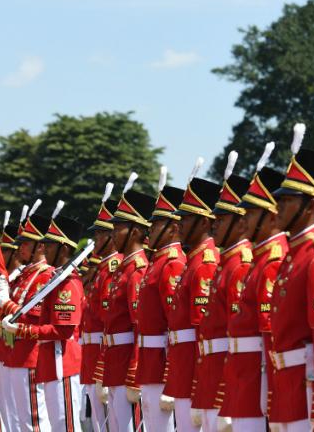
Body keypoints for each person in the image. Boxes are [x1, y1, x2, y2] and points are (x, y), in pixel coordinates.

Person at [268, 125, 314, 432]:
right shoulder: (293, 254)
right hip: (288, 385)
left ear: (310, 205)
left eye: (288, 200)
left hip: (308, 387)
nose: (278, 206)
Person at [219, 144, 287, 430]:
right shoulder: (260, 260)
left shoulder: (271, 261)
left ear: (271, 216)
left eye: (251, 212)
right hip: (245, 376)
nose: (243, 219)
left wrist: (271, 396)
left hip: (260, 381)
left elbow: (271, 339)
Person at [2, 212, 86, 431]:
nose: (44, 248)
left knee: (64, 425)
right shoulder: (56, 279)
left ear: (64, 248)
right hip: (50, 361)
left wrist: (21, 328)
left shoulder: (66, 282)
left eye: (49, 244)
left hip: (62, 361)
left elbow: (62, 330)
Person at [193, 151, 253, 432]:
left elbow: (237, 337)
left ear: (241, 222)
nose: (214, 223)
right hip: (210, 372)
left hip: (225, 376)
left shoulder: (240, 266)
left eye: (222, 217)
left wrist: (226, 392)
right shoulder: (226, 264)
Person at [97, 173, 154, 431]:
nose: (112, 232)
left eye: (118, 226)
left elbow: (140, 326)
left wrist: (134, 370)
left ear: (136, 231)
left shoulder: (137, 270)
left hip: (126, 363)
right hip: (114, 360)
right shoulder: (123, 268)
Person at [169, 173, 222, 432]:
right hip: (183, 366)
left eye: (186, 218)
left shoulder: (205, 264)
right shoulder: (195, 261)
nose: (179, 224)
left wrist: (198, 380)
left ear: (203, 222)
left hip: (195, 369)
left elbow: (203, 330)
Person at [0, 206, 54, 432]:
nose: (20, 248)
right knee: (15, 419)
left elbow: (33, 317)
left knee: (33, 421)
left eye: (26, 243)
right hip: (14, 353)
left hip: (31, 355)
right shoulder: (26, 274)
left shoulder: (46, 276)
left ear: (40, 246)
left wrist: (5, 302)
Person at [136, 169, 186, 432]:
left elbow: (175, 323)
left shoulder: (172, 264)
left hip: (162, 360)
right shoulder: (158, 262)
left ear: (173, 229)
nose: (149, 231)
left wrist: (170, 374)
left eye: (155, 226)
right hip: (149, 358)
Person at [83, 184, 122, 431]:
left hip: (105, 352)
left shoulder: (113, 267)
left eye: (100, 234)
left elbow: (112, 320)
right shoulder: (101, 269)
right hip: (93, 352)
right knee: (98, 422)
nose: (95, 239)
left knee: (111, 422)